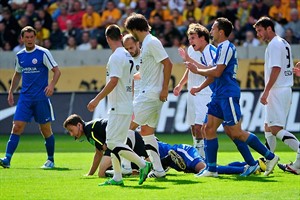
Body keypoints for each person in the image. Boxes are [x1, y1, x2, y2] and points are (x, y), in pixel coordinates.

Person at [185, 17, 279, 177]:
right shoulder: (220, 48)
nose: (211, 31)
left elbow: (217, 72)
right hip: (218, 94)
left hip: (227, 94)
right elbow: (213, 72)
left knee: (236, 132)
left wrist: (197, 70)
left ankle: (270, 157)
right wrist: (200, 85)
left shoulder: (226, 47)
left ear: (221, 31)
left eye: (213, 28)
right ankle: (212, 169)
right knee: (208, 128)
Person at [86, 24, 152, 186]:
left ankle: (144, 164)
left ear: (108, 39)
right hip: (126, 105)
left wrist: (97, 99)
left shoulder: (116, 57)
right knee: (117, 142)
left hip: (118, 106)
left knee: (113, 143)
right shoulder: (127, 55)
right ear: (121, 37)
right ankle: (117, 177)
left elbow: (114, 81)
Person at [0, 26, 61, 169]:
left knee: (45, 129)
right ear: (22, 39)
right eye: (26, 37)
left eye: (31, 37)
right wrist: (10, 92)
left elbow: (57, 71)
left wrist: (51, 85)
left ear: (35, 38)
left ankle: (50, 160)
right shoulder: (19, 56)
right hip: (25, 98)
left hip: (41, 97)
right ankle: (7, 159)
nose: (29, 40)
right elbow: (17, 74)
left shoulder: (43, 53)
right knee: (16, 127)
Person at [124, 13, 173, 178]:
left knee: (125, 127)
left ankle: (126, 167)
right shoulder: (146, 44)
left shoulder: (151, 42)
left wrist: (165, 88)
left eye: (131, 30)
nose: (131, 34)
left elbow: (168, 63)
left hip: (149, 95)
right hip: (152, 95)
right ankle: (158, 170)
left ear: (135, 29)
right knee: (146, 132)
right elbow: (145, 72)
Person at [254, 17, 300, 175]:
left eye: (260, 30)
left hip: (278, 89)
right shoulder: (283, 43)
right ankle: (269, 160)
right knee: (268, 126)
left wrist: (266, 90)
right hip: (282, 88)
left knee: (275, 129)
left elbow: (276, 68)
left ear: (269, 28)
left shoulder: (274, 44)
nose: (259, 34)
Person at [174, 23, 214, 158]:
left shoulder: (209, 50)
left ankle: (203, 159)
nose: (190, 41)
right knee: (193, 127)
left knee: (199, 127)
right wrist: (180, 85)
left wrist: (189, 59)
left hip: (204, 92)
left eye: (193, 38)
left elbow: (210, 71)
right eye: (189, 38)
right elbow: (190, 69)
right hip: (192, 91)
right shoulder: (191, 50)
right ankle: (198, 156)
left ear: (202, 38)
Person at [63, 114, 149, 177]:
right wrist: (90, 174)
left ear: (79, 125)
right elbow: (98, 153)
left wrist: (92, 173)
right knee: (149, 162)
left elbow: (104, 148)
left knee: (102, 173)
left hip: (125, 139)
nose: (71, 134)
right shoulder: (90, 128)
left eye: (71, 130)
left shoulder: (89, 131)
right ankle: (134, 168)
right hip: (132, 135)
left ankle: (130, 169)